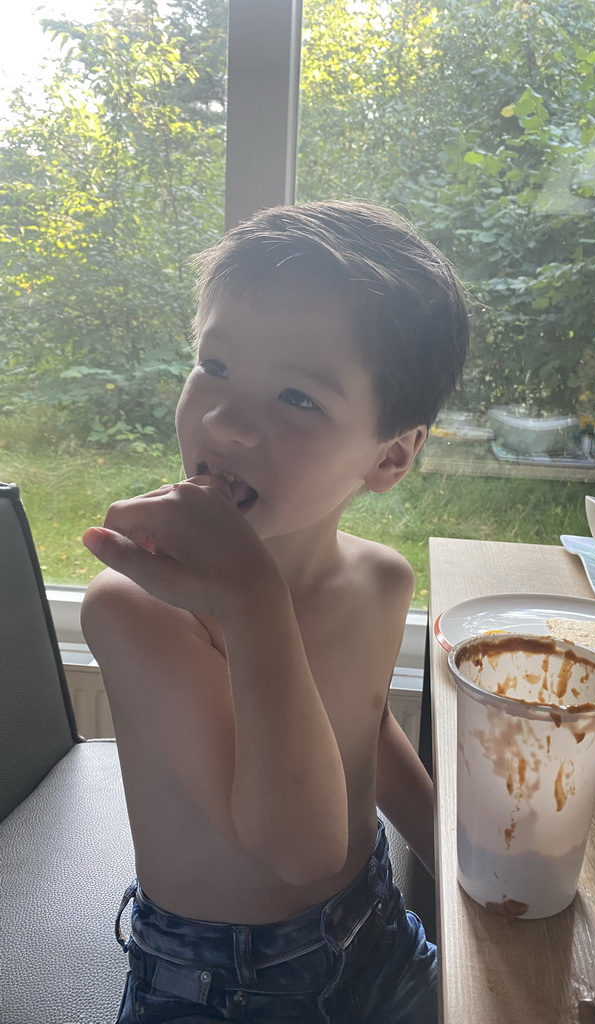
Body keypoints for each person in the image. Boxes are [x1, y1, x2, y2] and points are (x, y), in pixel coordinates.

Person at [81, 199, 470, 1024]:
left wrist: (460, 860)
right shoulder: (139, 612)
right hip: (223, 987)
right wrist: (251, 598)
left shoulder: (378, 582)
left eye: (296, 397)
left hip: (378, 931)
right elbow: (297, 848)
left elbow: (362, 728)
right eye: (213, 366)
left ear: (392, 454)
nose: (223, 420)